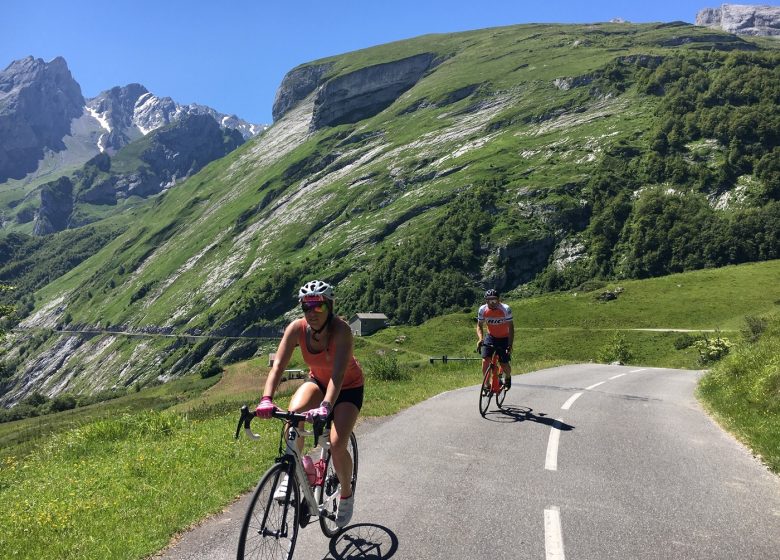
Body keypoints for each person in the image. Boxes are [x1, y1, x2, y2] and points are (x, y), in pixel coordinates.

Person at [256, 279, 363, 528]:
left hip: (347, 388)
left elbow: (338, 376)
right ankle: (297, 469)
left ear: (330, 306)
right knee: (293, 418)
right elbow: (278, 366)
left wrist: (326, 407)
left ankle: (346, 493)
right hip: (318, 382)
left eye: (319, 307)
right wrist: (266, 399)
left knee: (336, 444)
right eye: (306, 307)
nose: (312, 313)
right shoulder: (296, 329)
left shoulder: (341, 331)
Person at [476, 289, 514, 389]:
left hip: (504, 338)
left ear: (499, 300)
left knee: (504, 364)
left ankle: (508, 377)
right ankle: (487, 384)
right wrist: (480, 339)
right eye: (489, 301)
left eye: (494, 301)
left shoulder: (505, 309)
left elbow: (511, 327)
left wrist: (510, 344)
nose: (492, 303)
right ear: (486, 301)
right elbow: (479, 325)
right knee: (485, 361)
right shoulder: (482, 309)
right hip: (491, 336)